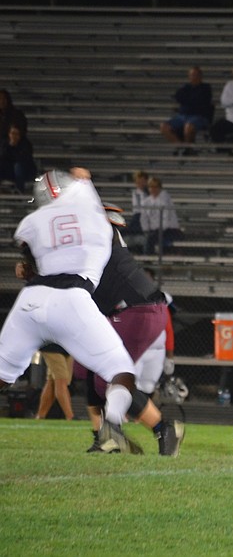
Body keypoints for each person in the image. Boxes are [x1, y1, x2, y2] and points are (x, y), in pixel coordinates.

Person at [1, 169, 149, 454]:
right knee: (121, 370)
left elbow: (29, 261)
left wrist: (26, 269)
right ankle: (112, 427)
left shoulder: (35, 221)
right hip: (71, 298)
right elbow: (82, 180)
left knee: (3, 374)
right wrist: (82, 181)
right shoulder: (94, 216)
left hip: (31, 299)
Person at [76, 203, 183, 456]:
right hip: (131, 309)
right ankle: (112, 435)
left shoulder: (96, 237)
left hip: (134, 309)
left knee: (109, 375)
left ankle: (117, 433)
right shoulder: (95, 240)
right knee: (92, 373)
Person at [159, 66, 214, 155]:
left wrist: (187, 99)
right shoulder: (185, 87)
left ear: (200, 76)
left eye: (196, 75)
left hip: (198, 116)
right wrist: (191, 99)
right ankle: (181, 147)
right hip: (182, 116)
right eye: (192, 75)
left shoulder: (206, 88)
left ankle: (188, 149)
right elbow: (178, 96)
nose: (194, 77)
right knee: (163, 126)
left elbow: (200, 101)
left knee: (189, 127)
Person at [140, 176, 182, 254]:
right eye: (151, 187)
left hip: (169, 229)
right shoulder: (146, 201)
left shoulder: (165, 198)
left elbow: (166, 218)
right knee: (146, 237)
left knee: (151, 239)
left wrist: (159, 230)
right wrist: (146, 230)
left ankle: (148, 257)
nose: (153, 189)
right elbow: (143, 218)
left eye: (156, 187)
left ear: (159, 188)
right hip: (153, 230)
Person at [34, 344, 74, 420]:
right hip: (51, 346)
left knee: (52, 382)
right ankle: (70, 417)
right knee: (61, 382)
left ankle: (40, 416)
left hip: (68, 347)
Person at [0, 123, 37, 194]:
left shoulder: (26, 144)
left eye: (16, 134)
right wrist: (10, 146)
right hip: (8, 170)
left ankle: (19, 191)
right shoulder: (4, 144)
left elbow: (24, 159)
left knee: (18, 166)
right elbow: (2, 157)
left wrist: (15, 147)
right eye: (12, 133)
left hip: (24, 171)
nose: (14, 136)